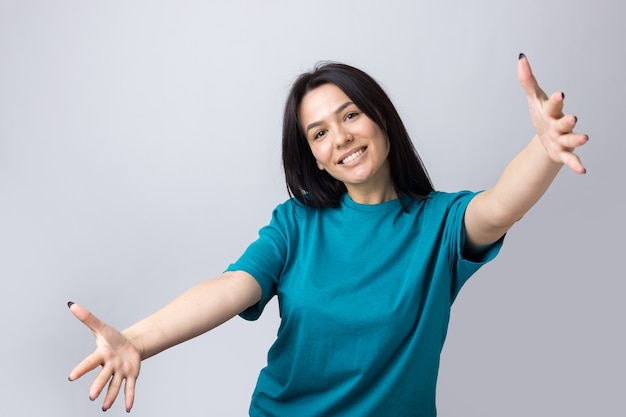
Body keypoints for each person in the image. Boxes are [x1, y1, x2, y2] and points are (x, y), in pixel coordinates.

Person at [67, 54, 588, 416]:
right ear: (312, 154)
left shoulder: (440, 223)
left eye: (350, 115)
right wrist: (137, 339)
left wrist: (544, 148)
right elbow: (231, 288)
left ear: (379, 117)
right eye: (319, 133)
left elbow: (499, 208)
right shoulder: (295, 225)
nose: (340, 138)